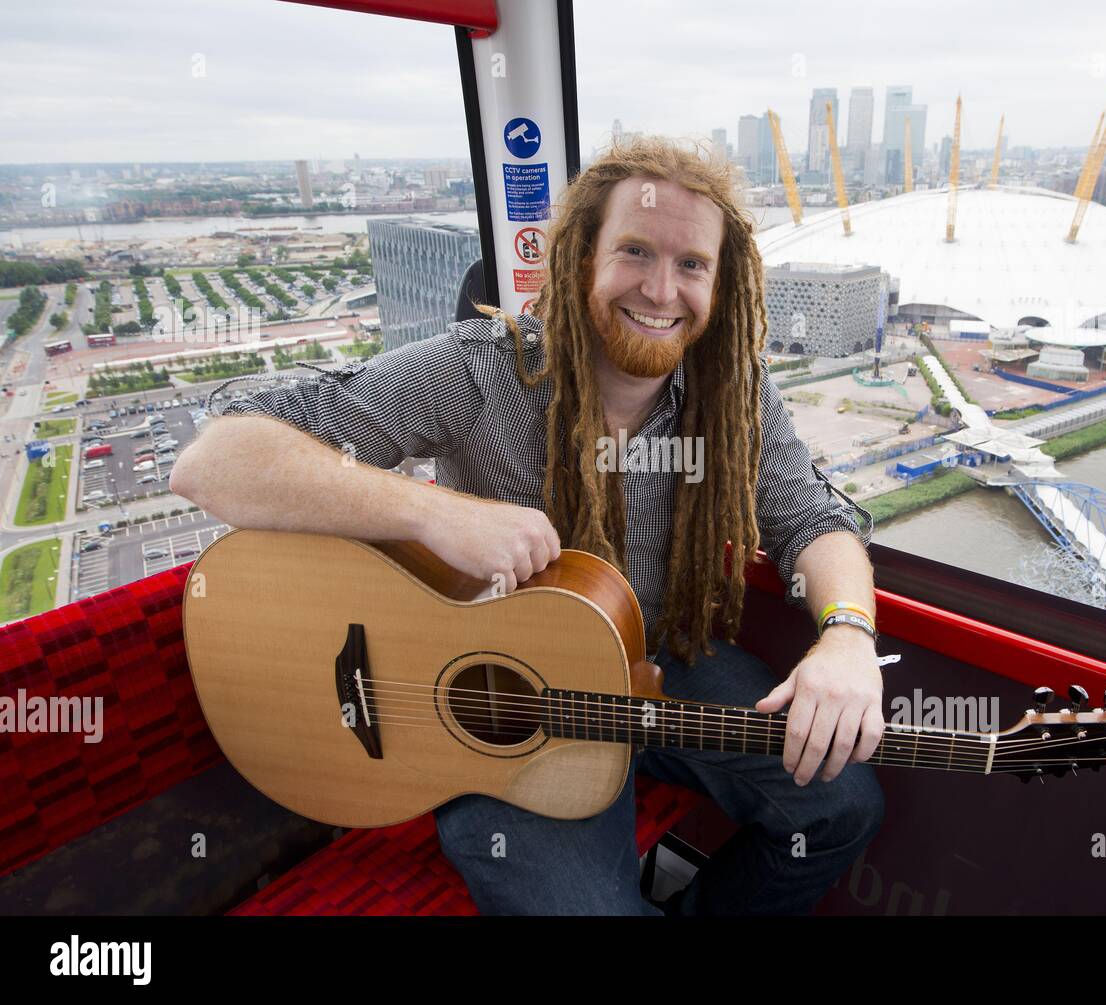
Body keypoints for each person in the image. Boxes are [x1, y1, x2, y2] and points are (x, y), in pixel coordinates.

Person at [169, 135, 885, 915]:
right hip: (497, 696)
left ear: (722, 284)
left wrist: (847, 634)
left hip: (658, 662)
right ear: (582, 260)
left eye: (691, 265)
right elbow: (214, 460)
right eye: (635, 251)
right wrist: (435, 511)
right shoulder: (479, 371)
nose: (660, 288)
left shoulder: (734, 394)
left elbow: (812, 518)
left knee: (843, 803)